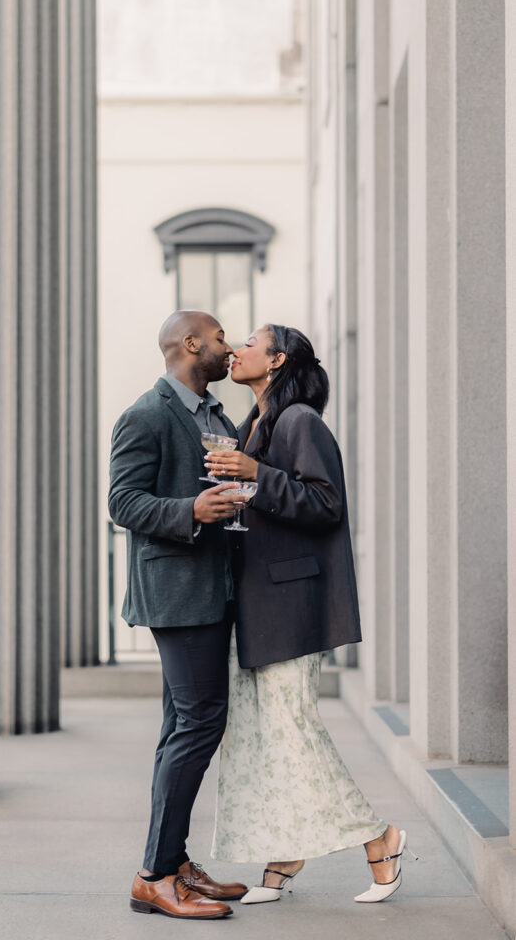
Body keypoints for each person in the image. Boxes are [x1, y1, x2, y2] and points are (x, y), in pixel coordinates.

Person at [205, 324, 412, 906]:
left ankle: (380, 839)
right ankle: (284, 849)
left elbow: (326, 504)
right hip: (254, 605)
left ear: (276, 360)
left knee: (293, 730)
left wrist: (254, 475)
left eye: (249, 342)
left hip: (291, 605)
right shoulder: (251, 425)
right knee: (258, 736)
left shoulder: (299, 421)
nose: (237, 349)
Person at [108, 310, 249, 920]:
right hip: (176, 595)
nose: (229, 345)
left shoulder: (214, 414)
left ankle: (173, 863)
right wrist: (191, 510)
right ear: (191, 345)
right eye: (220, 338)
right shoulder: (145, 414)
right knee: (199, 724)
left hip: (213, 590)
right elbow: (122, 501)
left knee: (181, 728)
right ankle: (153, 875)